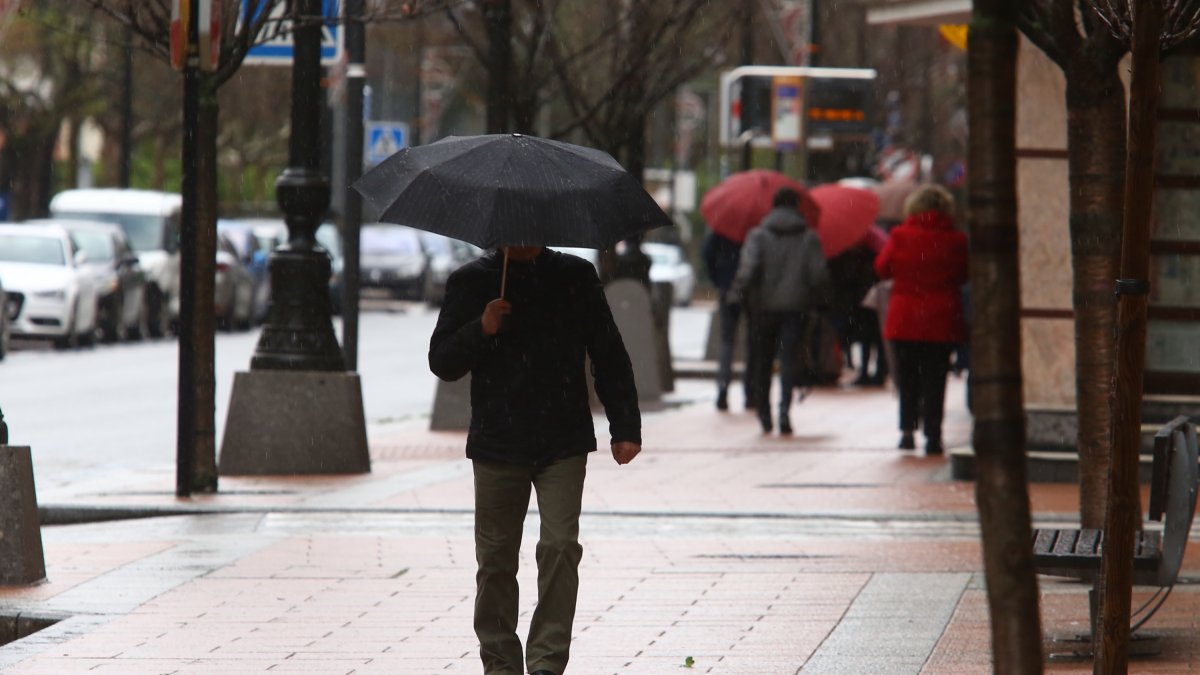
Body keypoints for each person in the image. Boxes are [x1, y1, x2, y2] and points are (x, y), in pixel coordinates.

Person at [429, 245, 641, 675]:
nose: (525, 236)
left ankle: (546, 661)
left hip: (562, 438)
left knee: (561, 546)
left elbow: (608, 351)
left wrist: (626, 426)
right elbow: (442, 362)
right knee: (495, 561)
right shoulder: (471, 280)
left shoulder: (575, 276)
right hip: (498, 439)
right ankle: (501, 663)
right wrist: (481, 327)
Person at [873, 184, 968, 455]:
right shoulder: (957, 240)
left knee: (907, 378)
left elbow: (882, 268)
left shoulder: (900, 235)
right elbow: (964, 275)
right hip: (942, 318)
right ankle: (934, 435)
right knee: (936, 379)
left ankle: (907, 431)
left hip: (905, 318)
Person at [729, 187, 830, 435]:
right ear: (796, 207)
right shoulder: (808, 237)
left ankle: (764, 413)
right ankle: (784, 410)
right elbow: (818, 275)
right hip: (796, 308)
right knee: (789, 361)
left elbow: (748, 269)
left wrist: (736, 294)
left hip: (762, 308)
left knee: (762, 362)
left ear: (773, 207)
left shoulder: (758, 236)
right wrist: (819, 298)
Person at [702, 230, 754, 411]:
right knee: (752, 342)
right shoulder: (754, 228)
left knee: (727, 342)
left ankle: (723, 392)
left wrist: (719, 278)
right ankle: (751, 392)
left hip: (727, 288)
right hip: (751, 290)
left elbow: (707, 253)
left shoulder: (723, 229)